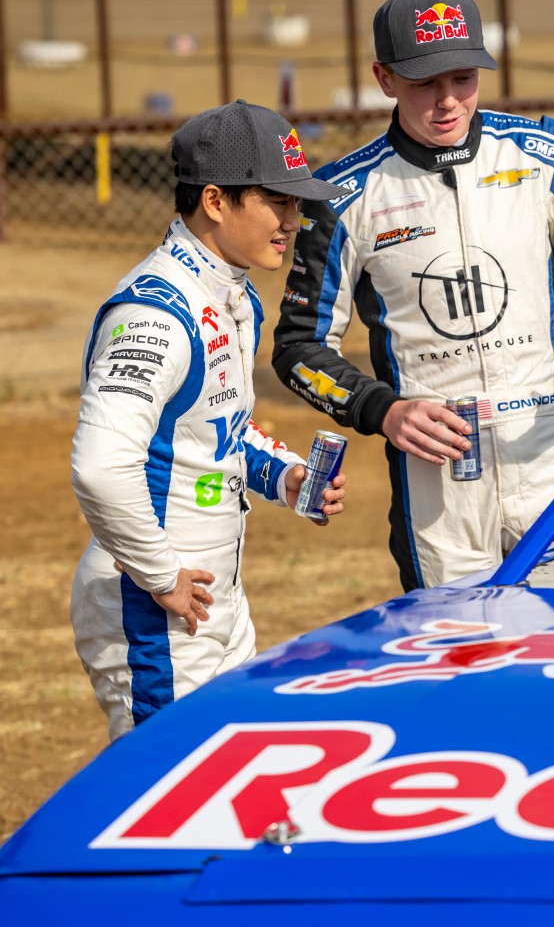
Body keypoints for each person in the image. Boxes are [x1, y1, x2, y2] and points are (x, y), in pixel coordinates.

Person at [273, 0, 554, 592]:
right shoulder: (343, 193)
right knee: (460, 661)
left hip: (550, 463)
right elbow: (298, 348)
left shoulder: (542, 155)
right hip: (440, 488)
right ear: (384, 78)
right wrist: (383, 410)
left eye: (463, 77)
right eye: (426, 82)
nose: (448, 100)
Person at [71, 100, 350, 740]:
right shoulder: (155, 315)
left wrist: (283, 477)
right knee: (165, 809)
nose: (293, 220)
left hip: (207, 598)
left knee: (224, 777)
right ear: (217, 201)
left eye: (297, 202)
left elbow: (214, 428)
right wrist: (162, 575)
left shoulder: (231, 292)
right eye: (276, 201)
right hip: (154, 607)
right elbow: (100, 467)